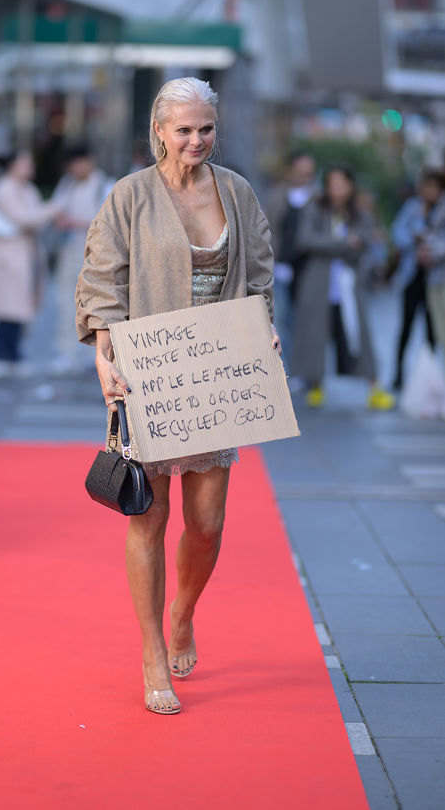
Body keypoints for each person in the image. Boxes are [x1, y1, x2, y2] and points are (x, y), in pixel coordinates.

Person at [75, 77, 278, 715]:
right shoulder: (130, 195)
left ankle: (184, 612)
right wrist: (104, 352)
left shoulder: (236, 191)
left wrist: (263, 326)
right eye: (183, 129)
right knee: (150, 516)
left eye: (205, 128)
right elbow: (101, 278)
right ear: (159, 130)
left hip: (215, 377)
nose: (196, 139)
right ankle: (152, 650)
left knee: (208, 523)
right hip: (149, 373)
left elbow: (259, 274)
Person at [290, 166, 395, 410]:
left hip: (349, 287)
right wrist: (343, 243)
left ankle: (374, 387)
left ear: (350, 185)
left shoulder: (360, 213)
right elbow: (305, 240)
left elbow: (364, 243)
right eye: (332, 183)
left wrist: (336, 245)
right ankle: (315, 386)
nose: (337, 188)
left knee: (360, 336)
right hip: (318, 285)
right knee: (314, 336)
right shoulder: (315, 209)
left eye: (342, 183)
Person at [0, 150, 61, 377]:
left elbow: (35, 222)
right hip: (8, 258)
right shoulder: (4, 189)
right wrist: (52, 209)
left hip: (24, 254)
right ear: (13, 165)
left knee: (17, 309)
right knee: (10, 310)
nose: (30, 167)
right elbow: (25, 219)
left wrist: (42, 215)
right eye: (25, 163)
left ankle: (6, 353)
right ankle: (1, 354)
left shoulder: (28, 189)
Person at [51, 145, 115, 374]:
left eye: (77, 164)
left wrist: (75, 222)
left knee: (96, 305)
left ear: (88, 161)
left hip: (97, 255)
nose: (74, 170)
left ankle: (97, 355)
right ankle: (66, 353)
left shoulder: (106, 185)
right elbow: (56, 209)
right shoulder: (66, 184)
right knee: (65, 302)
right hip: (69, 251)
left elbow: (110, 222)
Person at [264, 151, 317, 369]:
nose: (305, 176)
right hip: (280, 268)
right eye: (301, 171)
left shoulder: (317, 199)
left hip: (308, 271)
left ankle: (303, 369)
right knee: (282, 321)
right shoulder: (277, 196)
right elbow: (267, 227)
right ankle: (284, 369)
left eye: (309, 173)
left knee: (305, 323)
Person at [390, 170, 442, 389]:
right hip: (412, 276)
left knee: (433, 331)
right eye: (427, 186)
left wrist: (432, 250)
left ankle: (430, 377)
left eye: (435, 187)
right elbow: (397, 233)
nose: (431, 192)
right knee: (406, 327)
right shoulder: (412, 208)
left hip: (435, 279)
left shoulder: (441, 210)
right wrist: (414, 236)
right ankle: (398, 373)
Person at [416, 169, 445, 365]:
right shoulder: (422, 207)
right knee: (439, 331)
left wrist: (430, 252)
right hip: (434, 277)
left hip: (440, 275)